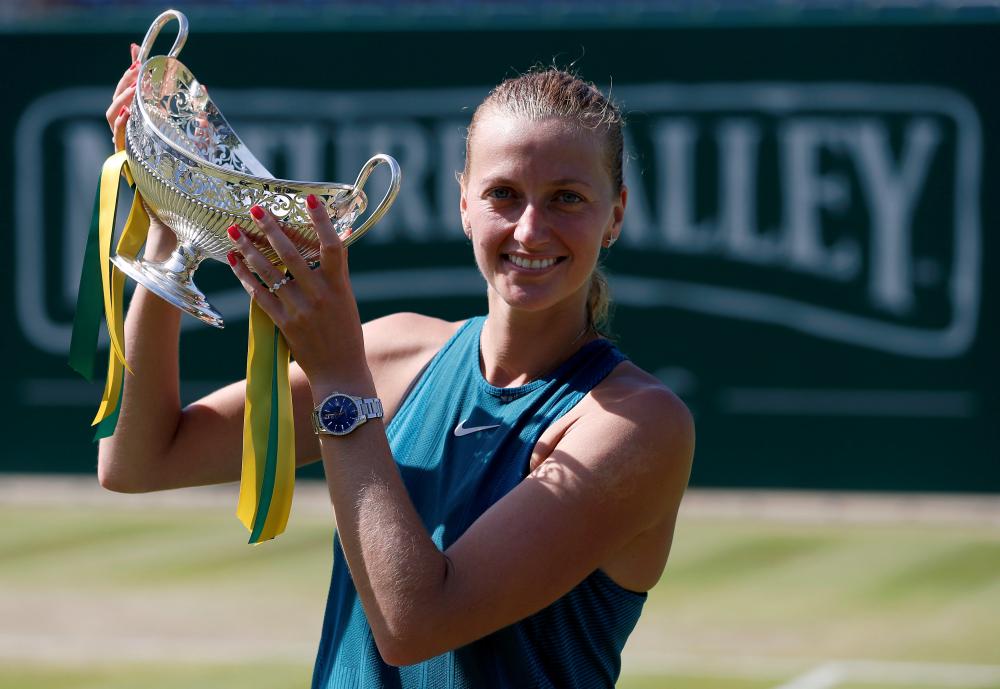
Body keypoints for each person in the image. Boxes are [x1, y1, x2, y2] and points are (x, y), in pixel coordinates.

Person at [103, 42, 694, 688]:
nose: (529, 229)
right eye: (503, 193)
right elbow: (139, 460)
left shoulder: (639, 425)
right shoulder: (395, 354)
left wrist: (339, 378)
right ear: (464, 204)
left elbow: (414, 622)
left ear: (616, 215)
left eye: (567, 198)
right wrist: (174, 220)